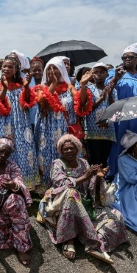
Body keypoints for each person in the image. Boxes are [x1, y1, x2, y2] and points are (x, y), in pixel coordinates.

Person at [40, 135, 125, 264]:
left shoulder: (83, 163)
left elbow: (91, 189)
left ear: (78, 149)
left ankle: (97, 244)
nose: (68, 151)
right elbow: (60, 184)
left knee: (115, 217)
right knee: (71, 193)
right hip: (61, 204)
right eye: (65, 149)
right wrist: (86, 176)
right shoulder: (57, 164)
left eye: (71, 148)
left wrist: (97, 178)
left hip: (83, 204)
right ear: (61, 151)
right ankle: (69, 240)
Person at [33, 56, 91, 187]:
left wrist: (82, 85)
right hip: (46, 128)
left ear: (62, 70)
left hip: (64, 128)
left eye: (55, 68)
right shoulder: (40, 88)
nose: (51, 71)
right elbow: (43, 103)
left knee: (66, 153)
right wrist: (52, 85)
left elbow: (80, 102)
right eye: (49, 69)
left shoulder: (69, 87)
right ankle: (47, 186)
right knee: (46, 155)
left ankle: (68, 182)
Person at [0, 55, 38, 189]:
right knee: (3, 150)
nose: (6, 69)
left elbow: (28, 102)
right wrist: (4, 89)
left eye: (10, 67)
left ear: (16, 69)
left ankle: (24, 184)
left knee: (23, 150)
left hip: (21, 123)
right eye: (4, 66)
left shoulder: (21, 83)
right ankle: (2, 183)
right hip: (4, 123)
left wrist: (26, 87)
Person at [107, 43, 137, 173]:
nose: (127, 59)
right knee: (122, 142)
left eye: (131, 57)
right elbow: (107, 90)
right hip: (123, 116)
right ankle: (118, 173)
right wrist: (116, 78)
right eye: (124, 57)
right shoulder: (115, 73)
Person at [82, 63, 117, 167]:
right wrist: (100, 99)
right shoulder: (88, 89)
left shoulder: (112, 90)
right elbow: (87, 109)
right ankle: (94, 182)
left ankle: (103, 182)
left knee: (104, 161)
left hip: (108, 131)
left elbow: (115, 109)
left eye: (102, 72)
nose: (99, 74)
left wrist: (109, 95)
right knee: (94, 161)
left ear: (107, 74)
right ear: (92, 74)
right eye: (96, 72)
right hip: (92, 132)